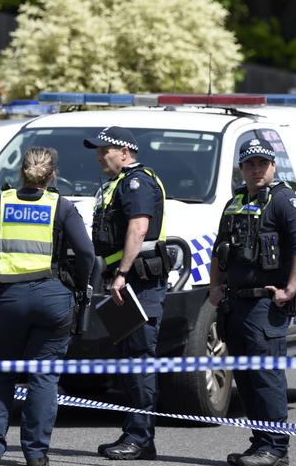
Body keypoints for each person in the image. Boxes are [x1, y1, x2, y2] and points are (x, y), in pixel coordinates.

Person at [0, 147, 95, 466]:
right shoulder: (61, 206)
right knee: (44, 376)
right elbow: (86, 253)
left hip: (9, 298)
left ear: (20, 172)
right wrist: (80, 288)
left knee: (1, 373)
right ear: (52, 173)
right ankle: (36, 453)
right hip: (52, 296)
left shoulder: (1, 202)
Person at [208, 138, 296, 466]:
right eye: (250, 164)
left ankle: (276, 449)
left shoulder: (284, 201)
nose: (256, 169)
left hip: (267, 306)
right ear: (241, 168)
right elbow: (219, 248)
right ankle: (259, 444)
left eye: (262, 163)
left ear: (273, 166)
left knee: (266, 378)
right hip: (236, 304)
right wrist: (215, 286)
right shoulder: (235, 201)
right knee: (247, 378)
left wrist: (290, 289)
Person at [83, 126, 170, 461]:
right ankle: (135, 434)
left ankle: (140, 438)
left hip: (139, 282)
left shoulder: (137, 181)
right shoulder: (118, 183)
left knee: (139, 361)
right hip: (125, 280)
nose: (98, 155)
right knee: (129, 361)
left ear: (124, 151)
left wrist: (121, 274)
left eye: (103, 150)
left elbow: (139, 227)